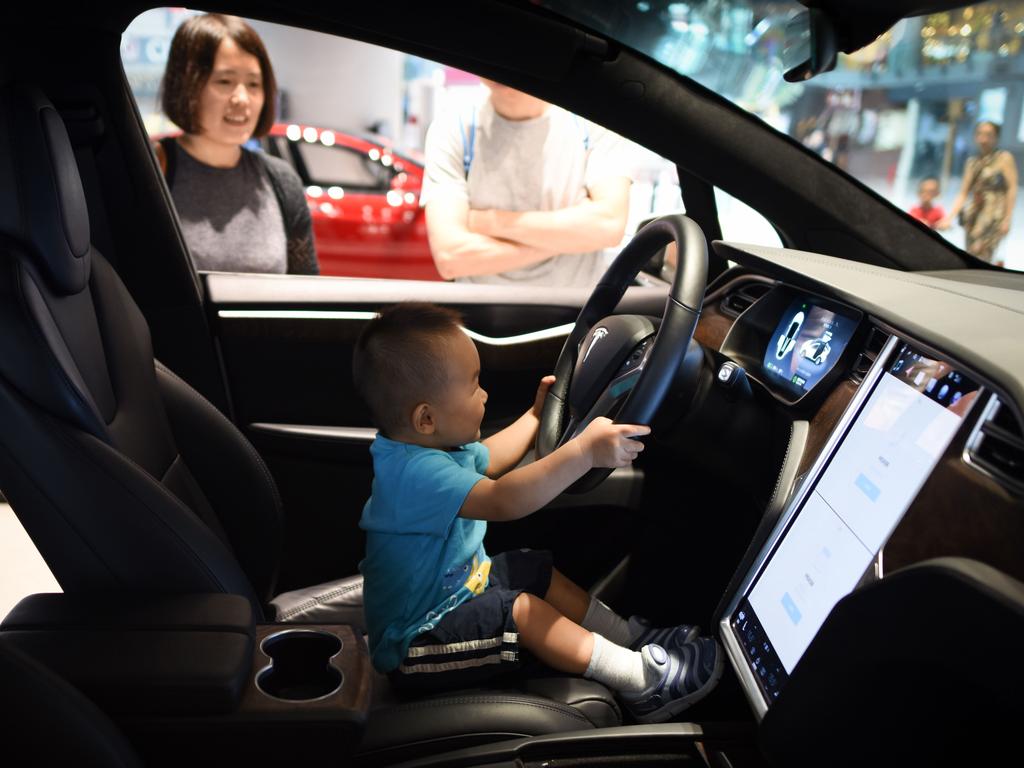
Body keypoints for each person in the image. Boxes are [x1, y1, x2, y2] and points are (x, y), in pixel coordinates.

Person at [352, 303, 722, 724]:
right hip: (417, 646)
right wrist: (581, 453)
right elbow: (504, 498)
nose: (484, 394)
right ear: (426, 418)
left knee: (534, 568)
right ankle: (641, 682)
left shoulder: (432, 449)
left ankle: (631, 639)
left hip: (454, 597)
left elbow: (489, 460)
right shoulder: (415, 473)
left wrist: (534, 416)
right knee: (523, 612)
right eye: (474, 386)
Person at [421, 79, 632, 286]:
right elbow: (450, 258)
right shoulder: (454, 128)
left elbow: (610, 226)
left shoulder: (594, 122)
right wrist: (575, 237)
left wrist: (485, 221)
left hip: (576, 312)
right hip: (481, 314)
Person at [155, 13, 318, 275]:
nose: (242, 98)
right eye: (225, 81)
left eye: (254, 84)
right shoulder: (152, 169)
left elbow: (306, 290)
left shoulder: (281, 181)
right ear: (186, 84)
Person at [939, 121, 1018, 267]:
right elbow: (963, 192)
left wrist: (1007, 218)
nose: (984, 139)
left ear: (996, 137)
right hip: (974, 216)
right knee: (970, 256)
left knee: (983, 257)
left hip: (994, 216)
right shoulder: (972, 162)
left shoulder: (1004, 158)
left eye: (989, 135)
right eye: (980, 134)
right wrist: (949, 218)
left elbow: (1011, 189)